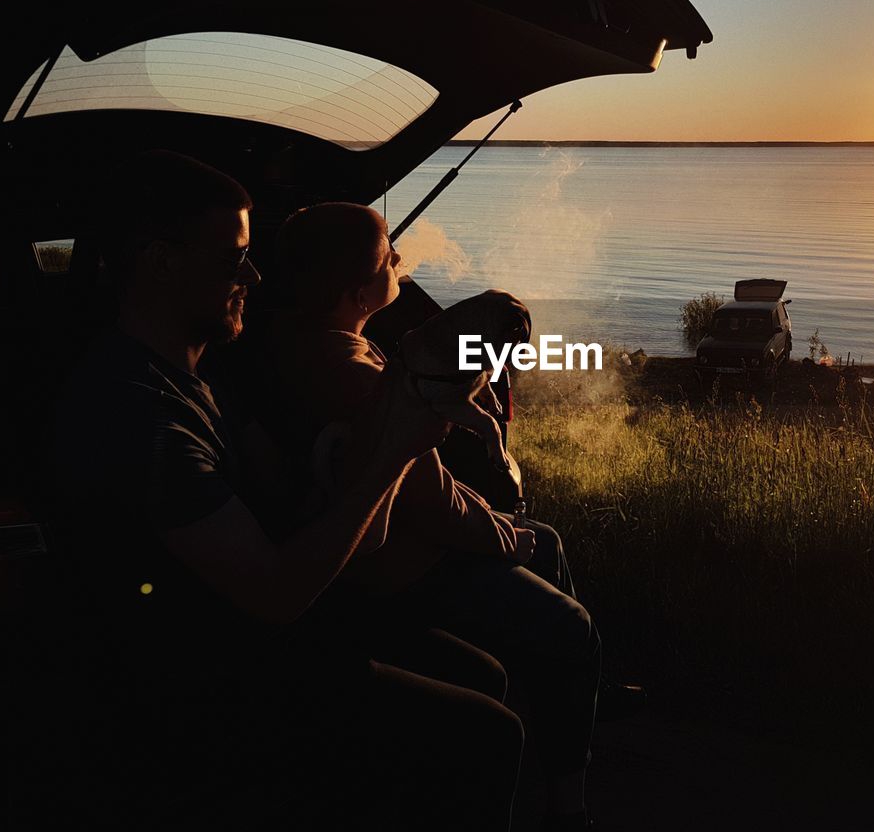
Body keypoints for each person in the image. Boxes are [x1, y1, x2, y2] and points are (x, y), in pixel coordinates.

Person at [40, 151, 522, 830]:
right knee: (488, 734)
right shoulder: (137, 413)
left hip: (251, 631)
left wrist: (385, 429)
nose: (254, 274)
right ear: (160, 263)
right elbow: (275, 593)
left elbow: (345, 530)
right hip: (200, 677)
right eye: (234, 257)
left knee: (481, 674)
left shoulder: (206, 384)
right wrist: (397, 452)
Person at [269, 202, 601, 832]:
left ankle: (572, 696)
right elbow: (428, 498)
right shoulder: (349, 371)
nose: (398, 257)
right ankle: (567, 802)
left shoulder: (317, 344)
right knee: (572, 625)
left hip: (408, 544)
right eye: (386, 252)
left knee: (547, 542)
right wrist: (501, 535)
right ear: (357, 290)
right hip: (404, 567)